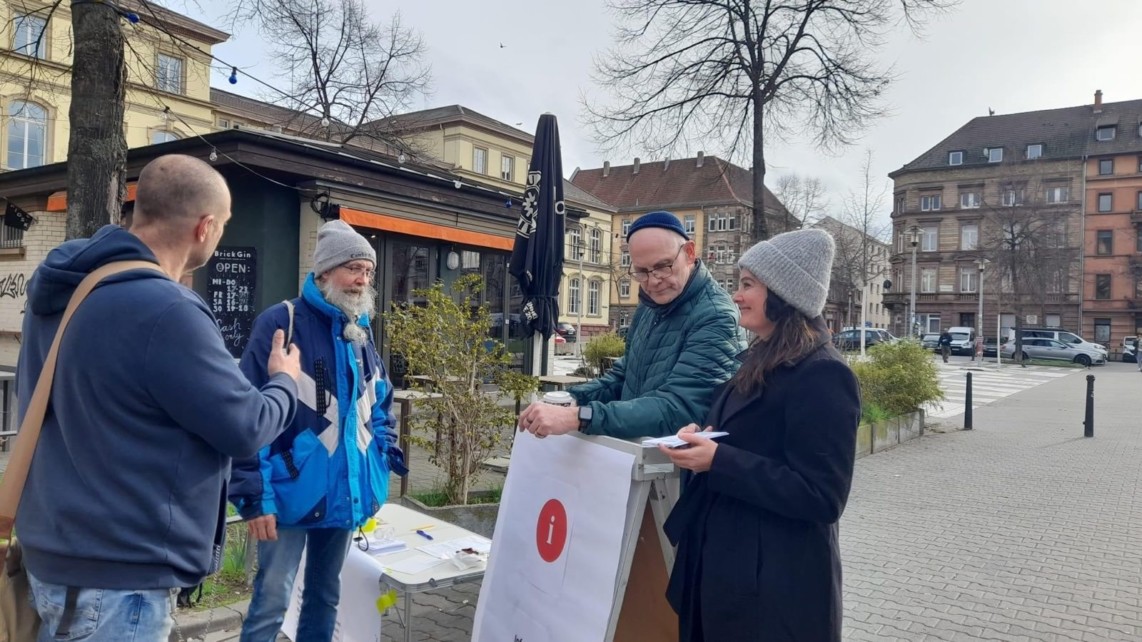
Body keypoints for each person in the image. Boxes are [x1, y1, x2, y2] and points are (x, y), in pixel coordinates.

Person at [16, 154, 301, 641]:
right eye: (224, 224)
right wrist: (285, 381)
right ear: (204, 226)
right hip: (120, 574)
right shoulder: (166, 309)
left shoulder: (70, 285)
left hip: (59, 552)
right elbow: (245, 426)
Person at [659, 229, 861, 642]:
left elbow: (822, 496)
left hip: (773, 589)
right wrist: (703, 437)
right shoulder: (762, 355)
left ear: (785, 294)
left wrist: (719, 460)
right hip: (728, 570)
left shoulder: (823, 373)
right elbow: (750, 435)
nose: (736, 295)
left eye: (748, 285)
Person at [231, 220, 408, 642]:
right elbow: (246, 416)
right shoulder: (281, 322)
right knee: (271, 599)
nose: (362, 279)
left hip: (343, 492)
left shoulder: (359, 332)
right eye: (353, 268)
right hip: (288, 495)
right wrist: (256, 498)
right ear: (325, 271)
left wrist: (379, 459)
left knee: (326, 595)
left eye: (367, 270)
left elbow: (380, 403)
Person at [517, 210, 740, 439]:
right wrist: (573, 399)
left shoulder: (716, 316)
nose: (653, 281)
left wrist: (581, 417)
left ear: (689, 253)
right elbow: (623, 377)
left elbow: (682, 408)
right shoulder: (650, 305)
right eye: (642, 272)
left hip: (681, 468)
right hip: (642, 458)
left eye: (663, 266)